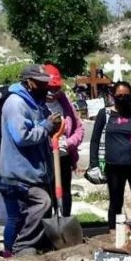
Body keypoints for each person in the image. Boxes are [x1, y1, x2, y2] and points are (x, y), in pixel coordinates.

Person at [0, 64, 63, 257]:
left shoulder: (36, 101)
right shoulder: (16, 104)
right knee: (42, 202)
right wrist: (46, 126)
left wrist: (51, 125)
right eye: (40, 83)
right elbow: (22, 137)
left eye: (46, 83)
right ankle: (21, 246)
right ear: (29, 82)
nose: (45, 87)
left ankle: (20, 248)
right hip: (18, 171)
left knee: (22, 214)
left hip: (35, 170)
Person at [91, 81, 131, 231]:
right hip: (113, 166)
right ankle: (114, 232)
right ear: (113, 96)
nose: (123, 98)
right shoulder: (105, 114)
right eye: (119, 95)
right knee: (115, 201)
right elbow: (95, 140)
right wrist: (94, 163)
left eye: (126, 95)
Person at [42, 63, 84, 218]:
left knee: (65, 191)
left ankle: (64, 218)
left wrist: (68, 143)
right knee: (47, 193)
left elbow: (79, 128)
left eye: (56, 88)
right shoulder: (35, 104)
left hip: (64, 156)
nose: (53, 92)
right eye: (49, 88)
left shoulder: (64, 103)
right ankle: (48, 223)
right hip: (45, 157)